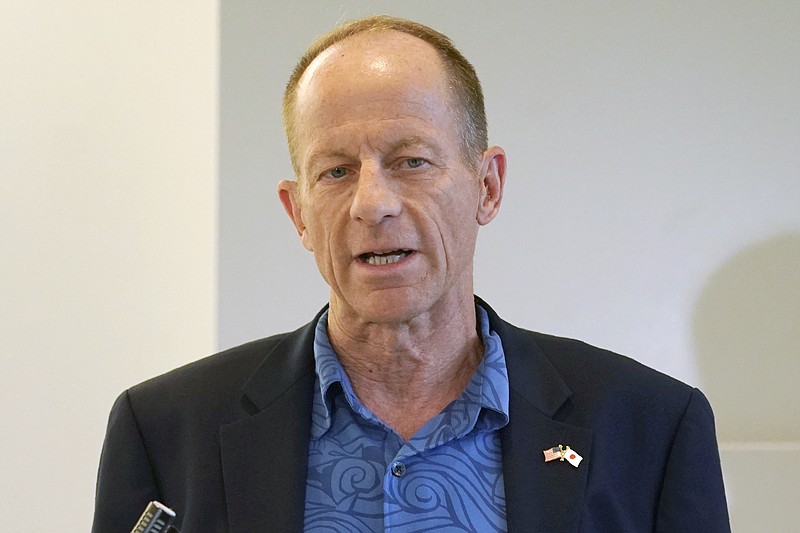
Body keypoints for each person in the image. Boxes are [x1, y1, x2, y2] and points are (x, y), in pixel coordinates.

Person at [92, 15, 730, 533]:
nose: (373, 202)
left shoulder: (651, 428)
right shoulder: (166, 431)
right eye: (336, 171)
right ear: (298, 212)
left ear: (487, 185)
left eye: (412, 161)